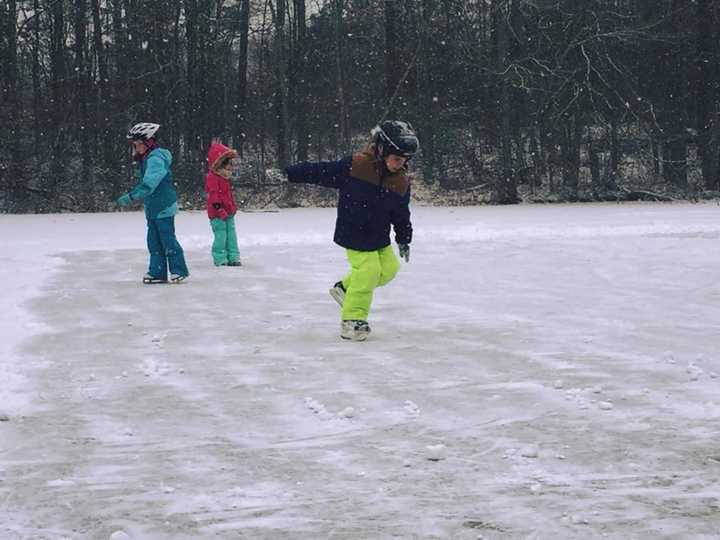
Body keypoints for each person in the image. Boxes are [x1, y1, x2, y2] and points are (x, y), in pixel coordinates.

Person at [285, 120, 418, 341]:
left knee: (389, 268)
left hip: (379, 236)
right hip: (354, 232)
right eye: (397, 158)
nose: (400, 164)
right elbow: (321, 171)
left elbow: (401, 214)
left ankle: (345, 290)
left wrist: (404, 238)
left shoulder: (400, 181)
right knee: (368, 271)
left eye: (405, 160)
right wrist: (290, 173)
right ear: (382, 149)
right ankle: (352, 320)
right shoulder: (356, 166)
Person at [116, 122, 189, 284]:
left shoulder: (156, 158)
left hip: (163, 205)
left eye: (138, 144)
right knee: (154, 241)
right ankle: (157, 272)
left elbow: (149, 184)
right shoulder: (147, 158)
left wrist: (130, 197)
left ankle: (178, 270)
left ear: (148, 142)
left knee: (167, 239)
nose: (136, 148)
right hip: (153, 207)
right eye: (135, 145)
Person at [205, 139, 242, 266]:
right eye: (228, 162)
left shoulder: (225, 177)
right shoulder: (212, 177)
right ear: (220, 163)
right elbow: (214, 194)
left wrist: (232, 207)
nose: (231, 165)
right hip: (217, 213)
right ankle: (220, 258)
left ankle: (234, 257)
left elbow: (228, 195)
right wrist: (219, 208)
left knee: (231, 235)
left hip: (229, 211)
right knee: (221, 235)